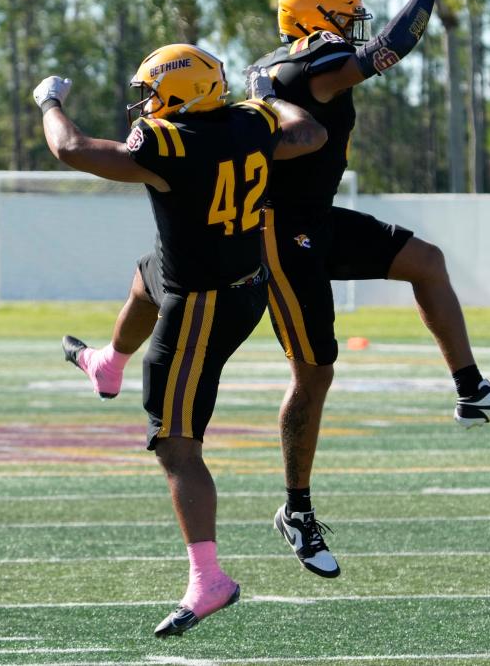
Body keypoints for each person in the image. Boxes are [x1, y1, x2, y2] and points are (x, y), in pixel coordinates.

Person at [63, 0, 490, 582]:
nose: (351, 31)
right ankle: (297, 510)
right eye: (345, 20)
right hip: (278, 235)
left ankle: (472, 391)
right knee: (313, 373)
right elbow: (391, 48)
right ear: (318, 19)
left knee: (425, 263)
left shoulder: (274, 68)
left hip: (315, 220)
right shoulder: (307, 67)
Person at [34, 42, 326, 637]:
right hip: (243, 277)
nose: (144, 102)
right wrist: (270, 99)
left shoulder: (169, 142)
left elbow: (72, 148)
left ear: (180, 91)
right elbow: (310, 132)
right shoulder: (252, 121)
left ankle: (209, 578)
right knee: (150, 273)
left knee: (175, 443)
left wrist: (50, 102)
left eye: (152, 90)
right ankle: (108, 363)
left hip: (203, 304)